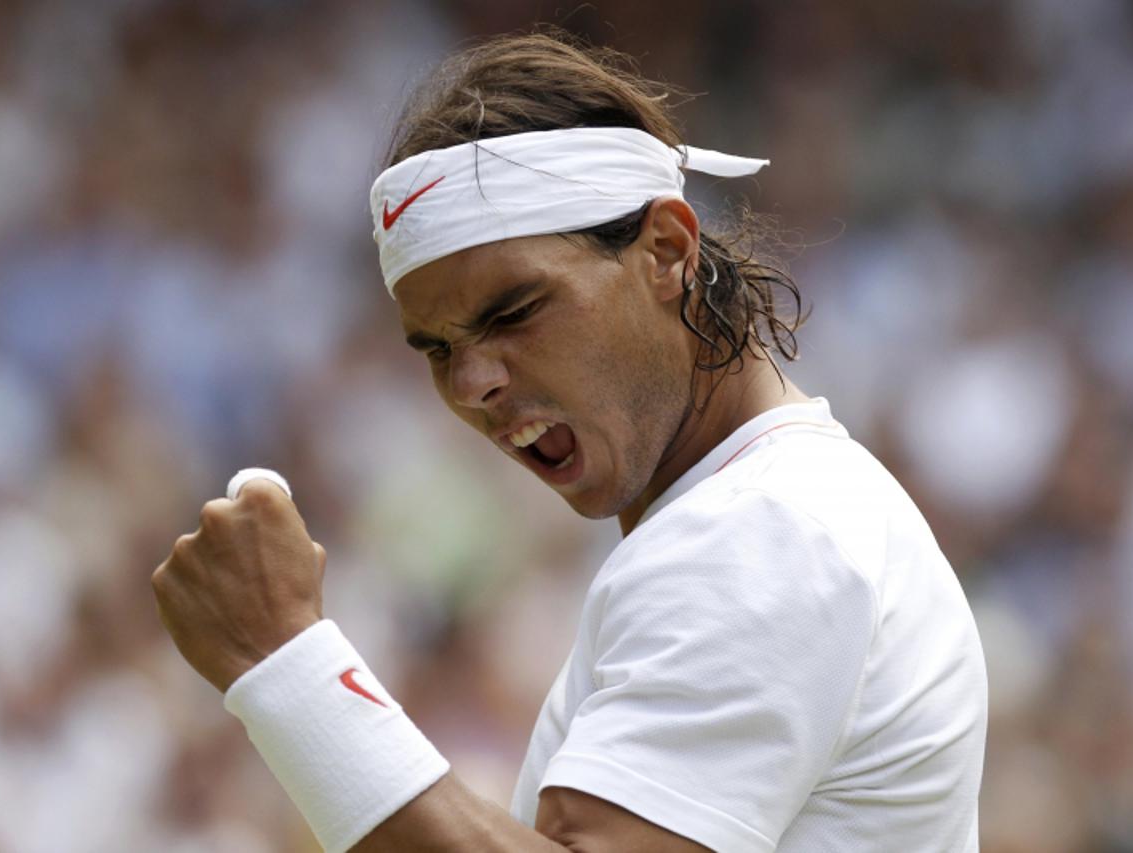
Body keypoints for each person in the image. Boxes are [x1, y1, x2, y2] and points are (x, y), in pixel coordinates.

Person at [152, 32, 988, 852]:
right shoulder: (771, 509)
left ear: (666, 249)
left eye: (513, 311)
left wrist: (287, 663)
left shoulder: (760, 531)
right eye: (438, 348)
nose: (471, 383)